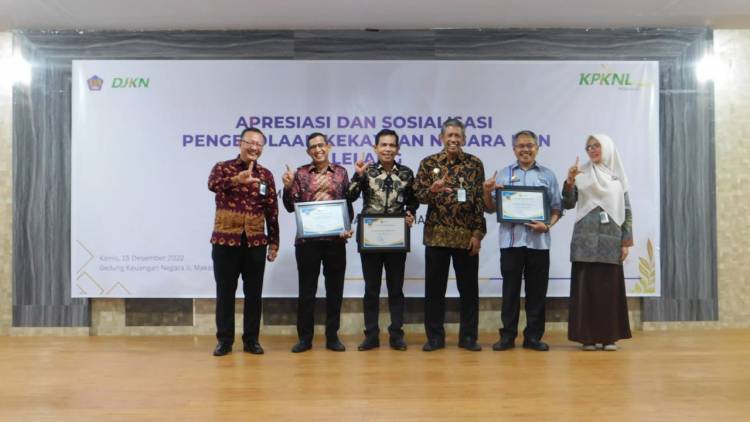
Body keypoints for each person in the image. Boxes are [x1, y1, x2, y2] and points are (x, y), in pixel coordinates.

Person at [483, 130, 562, 352]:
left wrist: (547, 225)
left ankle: (533, 337)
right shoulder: (503, 175)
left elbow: (557, 207)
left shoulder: (548, 175)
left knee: (537, 292)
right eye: (521, 146)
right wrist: (486, 192)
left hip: (539, 243)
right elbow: (489, 209)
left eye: (530, 145)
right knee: (510, 292)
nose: (525, 149)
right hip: (511, 243)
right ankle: (507, 336)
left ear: (537, 148)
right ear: (514, 149)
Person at [413, 118, 486, 352]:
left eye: (458, 136)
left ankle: (468, 337)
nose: (453, 140)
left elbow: (478, 203)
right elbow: (418, 197)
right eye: (449, 136)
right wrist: (431, 190)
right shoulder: (428, 163)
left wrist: (478, 233)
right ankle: (435, 338)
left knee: (469, 290)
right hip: (437, 236)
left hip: (466, 237)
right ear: (441, 138)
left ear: (464, 139)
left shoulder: (474, 164)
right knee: (435, 290)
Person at [207, 127, 279, 356]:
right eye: (251, 142)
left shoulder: (266, 175)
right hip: (225, 241)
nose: (254, 147)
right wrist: (237, 179)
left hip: (256, 242)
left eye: (259, 144)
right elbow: (212, 185)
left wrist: (274, 241)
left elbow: (272, 210)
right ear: (241, 143)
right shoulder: (222, 168)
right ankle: (225, 341)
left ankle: (251, 340)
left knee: (254, 294)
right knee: (225, 293)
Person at [347, 129, 418, 351]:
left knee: (396, 289)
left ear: (397, 149)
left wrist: (410, 212)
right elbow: (349, 196)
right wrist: (357, 175)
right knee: (372, 289)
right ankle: (371, 335)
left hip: (396, 237)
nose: (387, 149)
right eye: (383, 145)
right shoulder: (366, 171)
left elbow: (413, 200)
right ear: (375, 148)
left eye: (391, 145)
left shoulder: (406, 173)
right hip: (371, 237)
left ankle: (396, 334)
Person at [282, 132, 354, 353]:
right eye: (313, 147)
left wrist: (347, 227)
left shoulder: (341, 172)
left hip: (335, 242)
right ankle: (305, 338)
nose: (318, 149)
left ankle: (332, 337)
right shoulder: (300, 174)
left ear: (328, 147)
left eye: (321, 145)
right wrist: (287, 187)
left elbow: (347, 203)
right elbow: (288, 206)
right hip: (307, 243)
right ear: (308, 151)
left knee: (335, 290)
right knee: (307, 291)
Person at [563, 134, 633, 351]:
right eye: (588, 147)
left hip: (610, 241)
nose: (592, 150)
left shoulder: (617, 178)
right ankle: (588, 338)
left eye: (596, 146)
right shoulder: (581, 173)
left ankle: (609, 337)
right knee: (586, 291)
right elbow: (567, 203)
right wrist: (570, 181)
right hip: (585, 241)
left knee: (608, 291)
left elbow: (627, 211)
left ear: (608, 148)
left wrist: (625, 242)